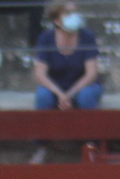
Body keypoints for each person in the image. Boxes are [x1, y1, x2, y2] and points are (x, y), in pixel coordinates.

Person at [29, 0, 100, 164]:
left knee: (87, 96)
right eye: (68, 13)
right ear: (57, 20)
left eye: (75, 12)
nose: (74, 16)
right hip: (56, 86)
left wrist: (70, 94)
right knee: (43, 96)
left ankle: (92, 147)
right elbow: (40, 74)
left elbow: (91, 73)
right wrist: (61, 94)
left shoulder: (87, 36)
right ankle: (41, 147)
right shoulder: (46, 38)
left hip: (83, 84)